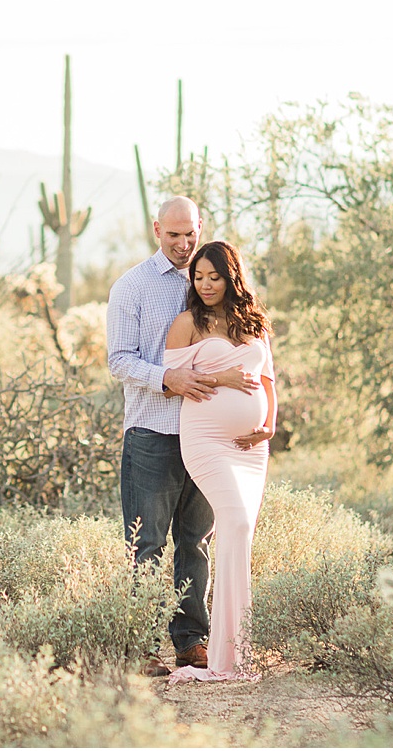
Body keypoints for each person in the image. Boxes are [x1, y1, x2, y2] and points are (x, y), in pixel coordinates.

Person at [106, 197, 261, 675]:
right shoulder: (131, 287)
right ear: (157, 230)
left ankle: (192, 641)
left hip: (210, 439)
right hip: (154, 431)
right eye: (173, 235)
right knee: (147, 542)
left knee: (196, 541)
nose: (182, 243)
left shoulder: (212, 277)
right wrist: (167, 378)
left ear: (200, 228)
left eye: (189, 233)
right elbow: (119, 359)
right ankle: (144, 646)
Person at [163, 240, 276, 682]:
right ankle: (224, 658)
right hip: (206, 439)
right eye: (198, 277)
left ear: (232, 278)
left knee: (240, 533)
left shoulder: (253, 322)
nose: (206, 285)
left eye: (215, 277)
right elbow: (171, 385)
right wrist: (221, 376)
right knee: (235, 523)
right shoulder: (187, 323)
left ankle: (236, 650)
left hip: (252, 448)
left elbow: (268, 381)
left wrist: (269, 423)